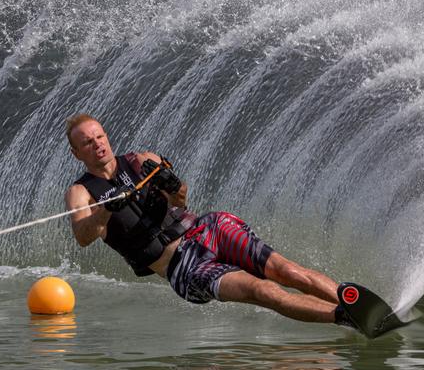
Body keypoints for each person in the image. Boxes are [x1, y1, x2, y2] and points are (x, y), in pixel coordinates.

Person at [64, 113, 354, 327]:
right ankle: (344, 318)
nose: (98, 144)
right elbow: (83, 235)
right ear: (77, 153)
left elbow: (181, 200)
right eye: (88, 143)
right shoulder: (82, 192)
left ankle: (351, 301)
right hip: (183, 266)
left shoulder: (142, 160)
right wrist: (106, 209)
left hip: (209, 229)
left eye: (100, 136)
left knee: (287, 271)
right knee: (263, 290)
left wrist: (173, 185)